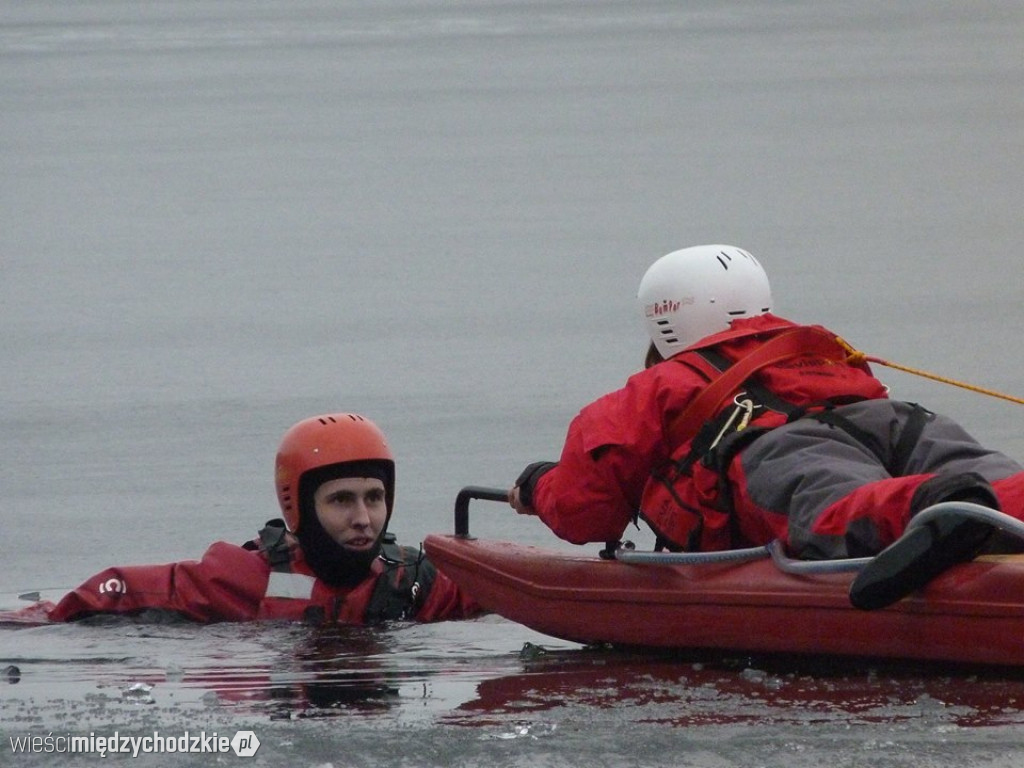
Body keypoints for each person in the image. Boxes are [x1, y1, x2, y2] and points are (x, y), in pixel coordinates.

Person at [508, 244, 1024, 610]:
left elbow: (585, 512)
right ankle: (987, 503)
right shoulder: (816, 349)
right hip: (892, 417)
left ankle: (934, 509)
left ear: (664, 318)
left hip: (780, 447)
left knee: (831, 509)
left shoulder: (658, 386)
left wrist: (537, 485)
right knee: (987, 473)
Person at [33, 413, 481, 624]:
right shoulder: (245, 578)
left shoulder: (413, 582)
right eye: (341, 500)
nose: (364, 518)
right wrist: (48, 617)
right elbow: (120, 589)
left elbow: (503, 595)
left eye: (375, 497)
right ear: (298, 507)